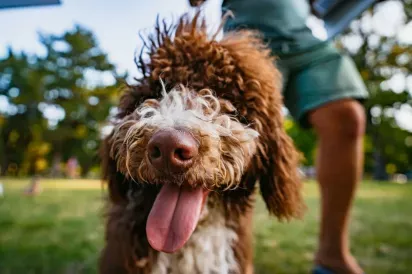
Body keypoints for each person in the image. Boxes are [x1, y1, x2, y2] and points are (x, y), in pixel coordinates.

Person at [190, 0, 368, 273]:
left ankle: (332, 255)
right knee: (243, 139)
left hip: (302, 38)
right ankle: (238, 262)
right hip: (247, 36)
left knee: (347, 116)